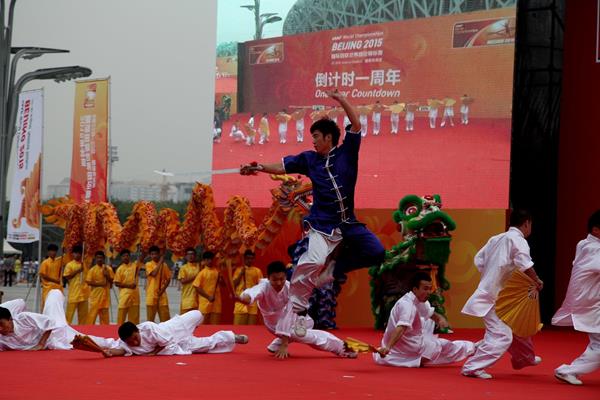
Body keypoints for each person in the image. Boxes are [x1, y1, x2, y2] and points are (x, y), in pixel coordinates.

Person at [240, 90, 385, 337]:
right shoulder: (309, 159)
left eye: (316, 136)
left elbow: (357, 124)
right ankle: (298, 312)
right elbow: (283, 166)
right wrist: (260, 167)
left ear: (329, 137)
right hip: (321, 224)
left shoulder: (347, 153)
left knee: (377, 252)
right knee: (313, 262)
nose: (313, 141)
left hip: (348, 222)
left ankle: (334, 269)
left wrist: (341, 100)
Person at [461, 209, 544, 379]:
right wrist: (536, 280)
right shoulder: (518, 240)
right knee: (502, 336)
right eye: (530, 225)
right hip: (494, 295)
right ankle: (472, 367)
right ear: (527, 223)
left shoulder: (496, 238)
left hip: (500, 292)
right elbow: (525, 264)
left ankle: (524, 358)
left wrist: (492, 275)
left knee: (518, 326)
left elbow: (479, 260)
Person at [238, 261, 357, 359]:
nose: (279, 283)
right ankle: (342, 347)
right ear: (268, 277)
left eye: (282, 279)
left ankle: (340, 347)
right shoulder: (263, 287)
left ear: (285, 276)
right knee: (302, 335)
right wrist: (242, 299)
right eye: (274, 280)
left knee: (301, 333)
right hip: (274, 326)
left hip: (298, 320)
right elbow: (250, 295)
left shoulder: (290, 288)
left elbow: (289, 315)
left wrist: (284, 343)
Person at [373, 272, 474, 367]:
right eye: (425, 289)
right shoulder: (407, 306)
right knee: (444, 346)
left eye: (430, 289)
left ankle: (470, 348)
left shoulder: (419, 300)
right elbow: (400, 328)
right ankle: (474, 347)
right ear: (415, 289)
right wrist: (388, 348)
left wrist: (440, 319)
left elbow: (430, 313)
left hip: (405, 345)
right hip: (407, 350)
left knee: (440, 347)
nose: (429, 292)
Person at [552, 210, 600, 385]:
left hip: (589, 301)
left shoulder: (584, 244)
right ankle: (567, 370)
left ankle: (568, 370)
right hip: (591, 304)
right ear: (596, 230)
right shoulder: (594, 249)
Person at [0, 289, 117, 351]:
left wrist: (41, 344)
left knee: (54, 293)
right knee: (88, 341)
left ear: (10, 319)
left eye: (1, 324)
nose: (0, 329)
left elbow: (50, 323)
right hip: (53, 343)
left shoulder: (23, 318)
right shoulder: (2, 340)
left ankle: (118, 344)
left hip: (57, 332)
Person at [102, 311, 247, 357]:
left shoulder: (148, 328)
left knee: (197, 314)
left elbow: (163, 343)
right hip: (179, 344)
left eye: (134, 338)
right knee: (206, 344)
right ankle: (232, 337)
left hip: (174, 328)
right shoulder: (126, 342)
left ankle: (194, 326)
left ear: (137, 330)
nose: (134, 343)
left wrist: (153, 352)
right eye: (130, 342)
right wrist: (110, 353)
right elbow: (121, 349)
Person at [232, 249, 263, 325]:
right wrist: (241, 274)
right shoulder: (238, 270)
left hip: (252, 303)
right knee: (238, 329)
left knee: (251, 330)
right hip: (240, 302)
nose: (250, 260)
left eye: (252, 258)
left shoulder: (257, 271)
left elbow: (261, 286)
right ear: (244, 259)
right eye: (248, 258)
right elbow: (234, 285)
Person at [193, 251, 224, 325]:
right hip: (205, 304)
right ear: (204, 261)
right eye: (207, 260)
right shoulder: (202, 273)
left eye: (211, 259)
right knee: (203, 326)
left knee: (215, 327)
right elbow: (196, 287)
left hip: (216, 304)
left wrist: (222, 279)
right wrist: (208, 297)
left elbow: (223, 285)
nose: (209, 261)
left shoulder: (217, 271)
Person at [113, 249, 143, 325]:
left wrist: (141, 247)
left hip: (135, 297)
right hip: (124, 296)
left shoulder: (135, 265)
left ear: (130, 257)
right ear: (121, 258)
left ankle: (133, 333)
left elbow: (142, 257)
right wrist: (129, 286)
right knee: (121, 317)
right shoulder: (119, 269)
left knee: (134, 319)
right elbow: (116, 283)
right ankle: (119, 332)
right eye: (123, 256)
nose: (125, 257)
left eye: (127, 255)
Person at [85, 251, 114, 325]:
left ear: (104, 259)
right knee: (91, 317)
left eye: (101, 257)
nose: (99, 259)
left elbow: (112, 281)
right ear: (95, 258)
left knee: (105, 319)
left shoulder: (108, 269)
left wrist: (107, 275)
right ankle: (88, 332)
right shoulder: (92, 270)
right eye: (98, 258)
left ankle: (105, 333)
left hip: (105, 297)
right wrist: (100, 284)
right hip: (95, 297)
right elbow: (88, 281)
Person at [62, 245, 89, 324]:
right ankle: (66, 330)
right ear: (73, 254)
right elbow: (67, 276)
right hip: (73, 294)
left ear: (81, 254)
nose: (77, 255)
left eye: (79, 253)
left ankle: (82, 332)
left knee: (83, 317)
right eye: (75, 253)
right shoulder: (70, 265)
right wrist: (78, 271)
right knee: (69, 316)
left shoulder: (84, 264)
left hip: (84, 295)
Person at [144, 246, 171, 322]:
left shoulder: (164, 265)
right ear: (150, 255)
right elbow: (154, 273)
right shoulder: (148, 264)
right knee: (150, 321)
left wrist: (162, 290)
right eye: (152, 254)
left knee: (166, 320)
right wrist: (160, 262)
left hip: (162, 296)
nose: (154, 256)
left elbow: (168, 279)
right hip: (151, 295)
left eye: (156, 254)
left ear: (159, 254)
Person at [38, 244, 64, 308]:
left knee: (57, 306)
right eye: (51, 251)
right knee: (47, 305)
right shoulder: (45, 262)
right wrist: (55, 280)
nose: (53, 252)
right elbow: (43, 275)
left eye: (55, 251)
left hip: (58, 287)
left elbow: (67, 256)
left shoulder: (59, 260)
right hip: (48, 288)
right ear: (48, 252)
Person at [178, 248, 201, 314]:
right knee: (184, 321)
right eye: (188, 254)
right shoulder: (183, 268)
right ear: (185, 256)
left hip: (197, 299)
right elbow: (183, 281)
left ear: (195, 256)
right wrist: (196, 276)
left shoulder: (199, 266)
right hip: (187, 298)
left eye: (192, 254)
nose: (190, 256)